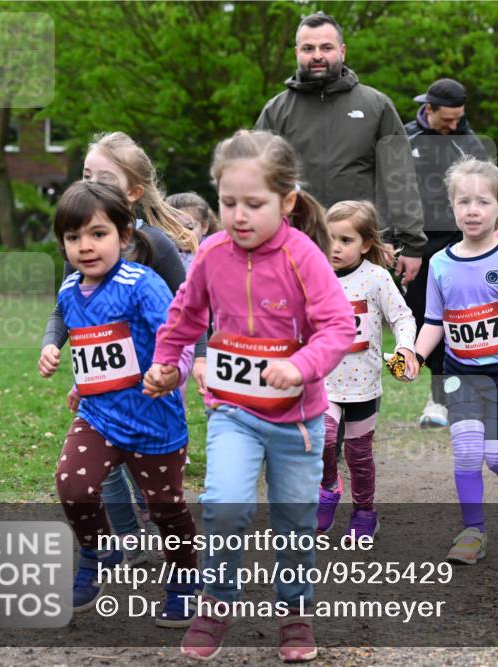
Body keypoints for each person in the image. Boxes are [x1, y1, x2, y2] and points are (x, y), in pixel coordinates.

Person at [144, 130, 355, 662]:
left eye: (254, 204)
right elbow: (185, 314)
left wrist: (300, 366)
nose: (239, 215)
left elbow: (336, 327)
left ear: (286, 203)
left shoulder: (304, 256)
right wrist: (167, 363)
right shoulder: (212, 253)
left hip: (297, 421)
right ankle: (215, 604)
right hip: (233, 411)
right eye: (228, 202)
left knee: (294, 522)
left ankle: (295, 612)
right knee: (223, 507)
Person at [387, 157, 498, 565]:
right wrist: (412, 355)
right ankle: (472, 531)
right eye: (463, 201)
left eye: (482, 202)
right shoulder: (441, 263)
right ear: (451, 207)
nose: (472, 210)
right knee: (466, 453)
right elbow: (434, 321)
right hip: (459, 372)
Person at [38, 131, 199, 566]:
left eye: (104, 178)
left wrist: (188, 363)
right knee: (89, 476)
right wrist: (53, 346)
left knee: (158, 491)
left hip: (155, 386)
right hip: (101, 397)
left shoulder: (153, 249)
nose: (84, 244)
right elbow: (66, 311)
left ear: (133, 192)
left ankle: (178, 560)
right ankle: (121, 543)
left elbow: (185, 310)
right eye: (87, 174)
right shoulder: (79, 257)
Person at [254, 11, 425, 287]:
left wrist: (410, 242)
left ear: (342, 51)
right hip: (293, 245)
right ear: (297, 52)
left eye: (326, 47)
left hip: (359, 246)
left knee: (358, 329)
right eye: (308, 48)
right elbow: (257, 181)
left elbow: (400, 177)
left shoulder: (376, 105)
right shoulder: (276, 111)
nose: (317, 55)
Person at [318, 200, 418, 538]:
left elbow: (403, 317)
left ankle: (364, 512)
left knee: (358, 454)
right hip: (322, 382)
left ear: (366, 244)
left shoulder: (376, 278)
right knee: (323, 440)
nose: (335, 247)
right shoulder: (313, 275)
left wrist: (406, 348)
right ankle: (328, 487)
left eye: (345, 240)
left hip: (363, 385)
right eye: (329, 238)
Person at [404, 77, 489, 428]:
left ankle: (452, 397)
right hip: (417, 246)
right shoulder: (405, 138)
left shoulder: (469, 143)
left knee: (462, 320)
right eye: (448, 120)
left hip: (460, 243)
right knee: (425, 319)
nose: (455, 125)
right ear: (428, 109)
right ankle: (439, 395)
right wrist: (401, 242)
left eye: (460, 118)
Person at [166, 191, 220, 271]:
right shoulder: (165, 251)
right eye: (174, 229)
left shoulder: (216, 252)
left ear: (204, 226)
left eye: (189, 228)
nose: (182, 234)